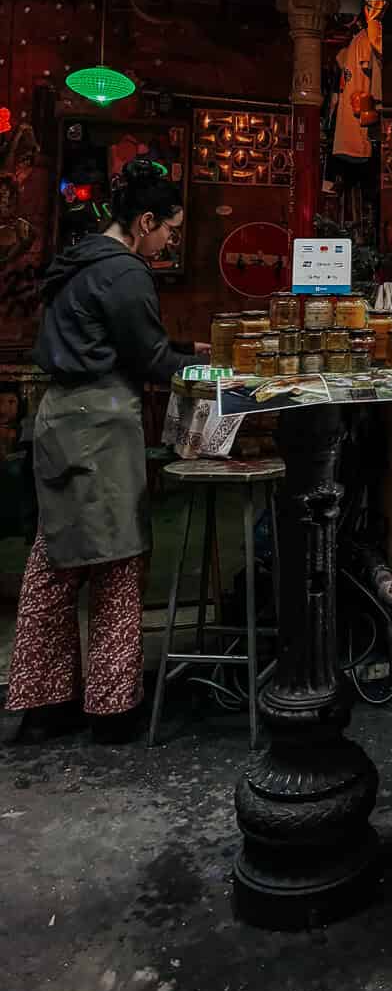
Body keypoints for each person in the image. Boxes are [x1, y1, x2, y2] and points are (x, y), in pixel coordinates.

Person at [6, 157, 206, 744]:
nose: (170, 241)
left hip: (59, 416)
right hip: (99, 422)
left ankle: (44, 703)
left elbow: (115, 337)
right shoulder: (125, 273)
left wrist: (181, 347)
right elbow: (149, 359)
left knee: (57, 558)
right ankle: (113, 709)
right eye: (169, 229)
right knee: (117, 560)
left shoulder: (80, 259)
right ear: (145, 222)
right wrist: (209, 370)